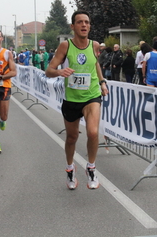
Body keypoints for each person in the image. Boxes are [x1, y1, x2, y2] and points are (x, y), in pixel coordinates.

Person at [45, 10, 108, 190]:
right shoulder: (66, 46)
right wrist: (59, 72)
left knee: (93, 133)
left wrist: (102, 82)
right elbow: (49, 70)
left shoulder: (95, 45)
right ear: (73, 26)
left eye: (87, 22)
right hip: (72, 98)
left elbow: (95, 64)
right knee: (72, 137)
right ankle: (70, 168)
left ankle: (91, 167)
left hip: (91, 96)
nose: (84, 25)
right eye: (80, 22)